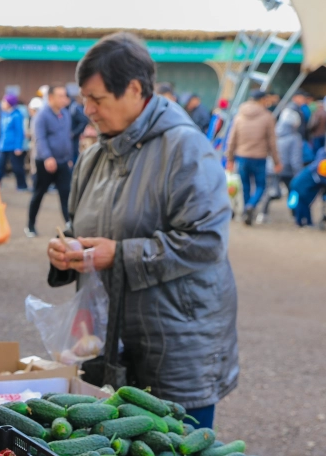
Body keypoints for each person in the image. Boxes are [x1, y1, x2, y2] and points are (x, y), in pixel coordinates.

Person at [46, 32, 237, 426]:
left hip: (176, 341)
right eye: (84, 98)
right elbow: (79, 226)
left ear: (134, 90)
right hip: (107, 338)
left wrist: (119, 254)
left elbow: (206, 240)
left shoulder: (185, 148)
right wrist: (67, 250)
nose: (87, 110)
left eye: (97, 99)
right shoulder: (94, 156)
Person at [26, 85, 75, 237]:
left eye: (64, 96)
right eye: (60, 96)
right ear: (51, 97)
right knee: (39, 193)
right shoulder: (41, 115)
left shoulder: (65, 114)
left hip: (62, 161)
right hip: (45, 162)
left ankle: (70, 224)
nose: (63, 99)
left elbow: (67, 138)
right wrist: (47, 157)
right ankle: (30, 225)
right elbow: (39, 138)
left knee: (66, 193)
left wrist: (69, 157)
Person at [226, 89, 281, 225]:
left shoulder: (239, 116)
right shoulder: (267, 117)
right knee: (261, 185)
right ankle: (252, 205)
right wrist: (276, 161)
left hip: (242, 156)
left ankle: (246, 209)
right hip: (259, 157)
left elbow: (232, 139)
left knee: (245, 185)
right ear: (262, 100)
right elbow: (272, 142)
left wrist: (230, 158)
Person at [0, 94, 27, 190]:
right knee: (0, 166)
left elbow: (19, 132)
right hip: (3, 145)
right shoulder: (4, 114)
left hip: (13, 146)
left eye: (4, 101)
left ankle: (22, 185)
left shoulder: (16, 115)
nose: (2, 103)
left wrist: (18, 146)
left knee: (17, 167)